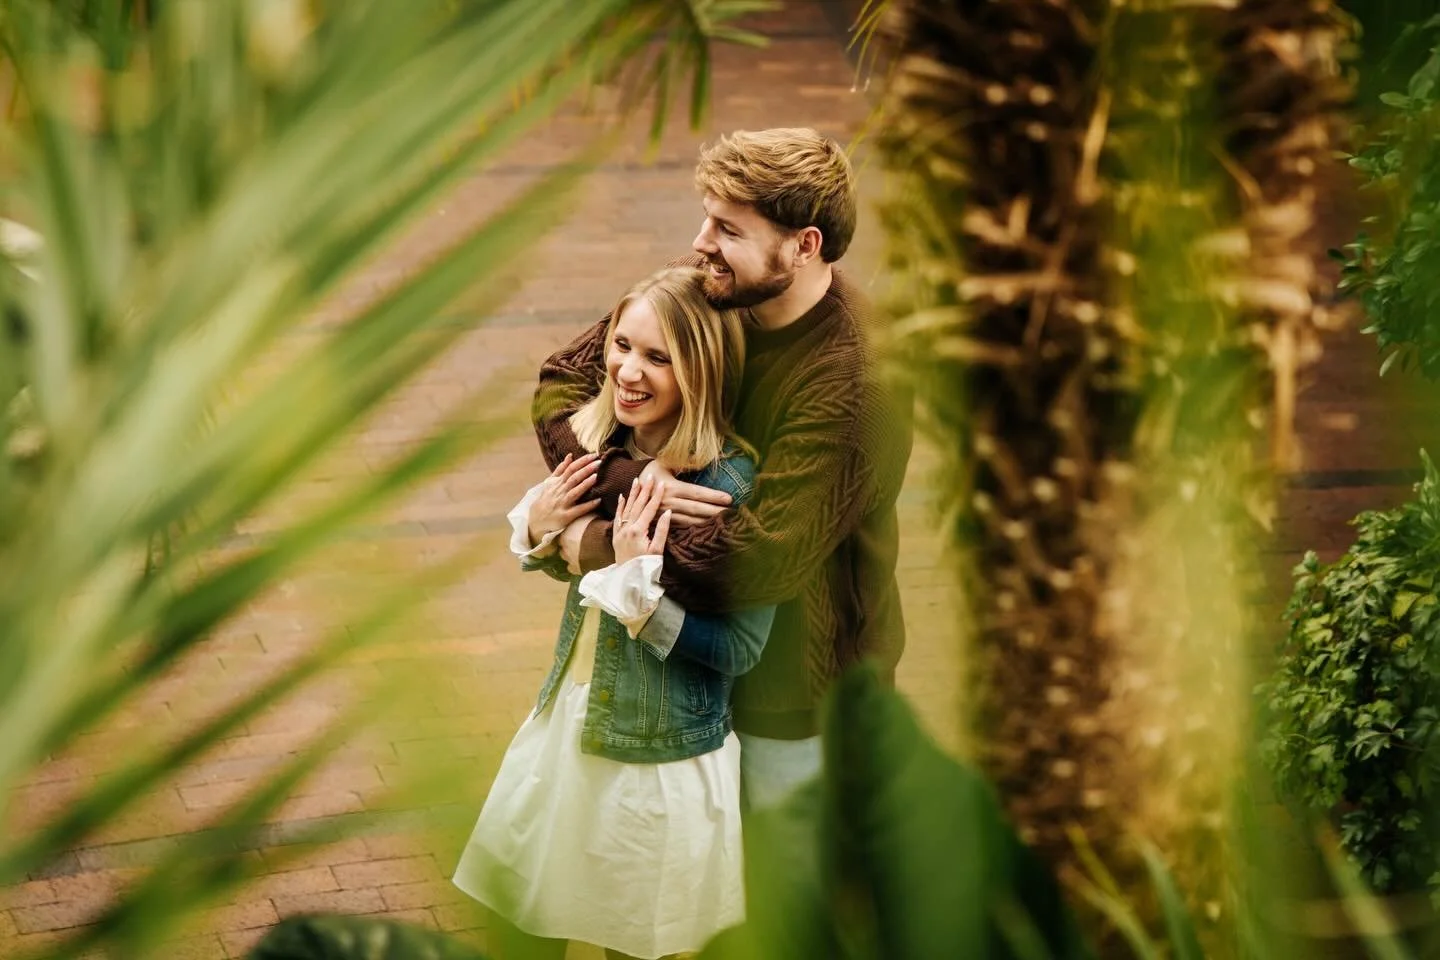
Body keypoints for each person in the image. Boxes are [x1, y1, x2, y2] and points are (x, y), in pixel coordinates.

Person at [532, 128, 912, 814]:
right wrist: (627, 484)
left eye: (728, 227)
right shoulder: (716, 284)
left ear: (804, 245)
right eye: (707, 217)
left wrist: (593, 546)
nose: (702, 241)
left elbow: (758, 558)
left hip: (794, 703)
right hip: (687, 681)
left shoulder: (857, 380)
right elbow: (562, 386)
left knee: (785, 906)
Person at [452, 267, 774, 960]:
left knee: (627, 946)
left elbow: (740, 649)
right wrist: (545, 533)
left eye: (659, 357)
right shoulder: (609, 451)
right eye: (623, 345)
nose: (628, 370)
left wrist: (642, 598)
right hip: (568, 722)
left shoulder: (729, 486)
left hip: (655, 766)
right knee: (513, 926)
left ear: (703, 370)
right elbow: (576, 574)